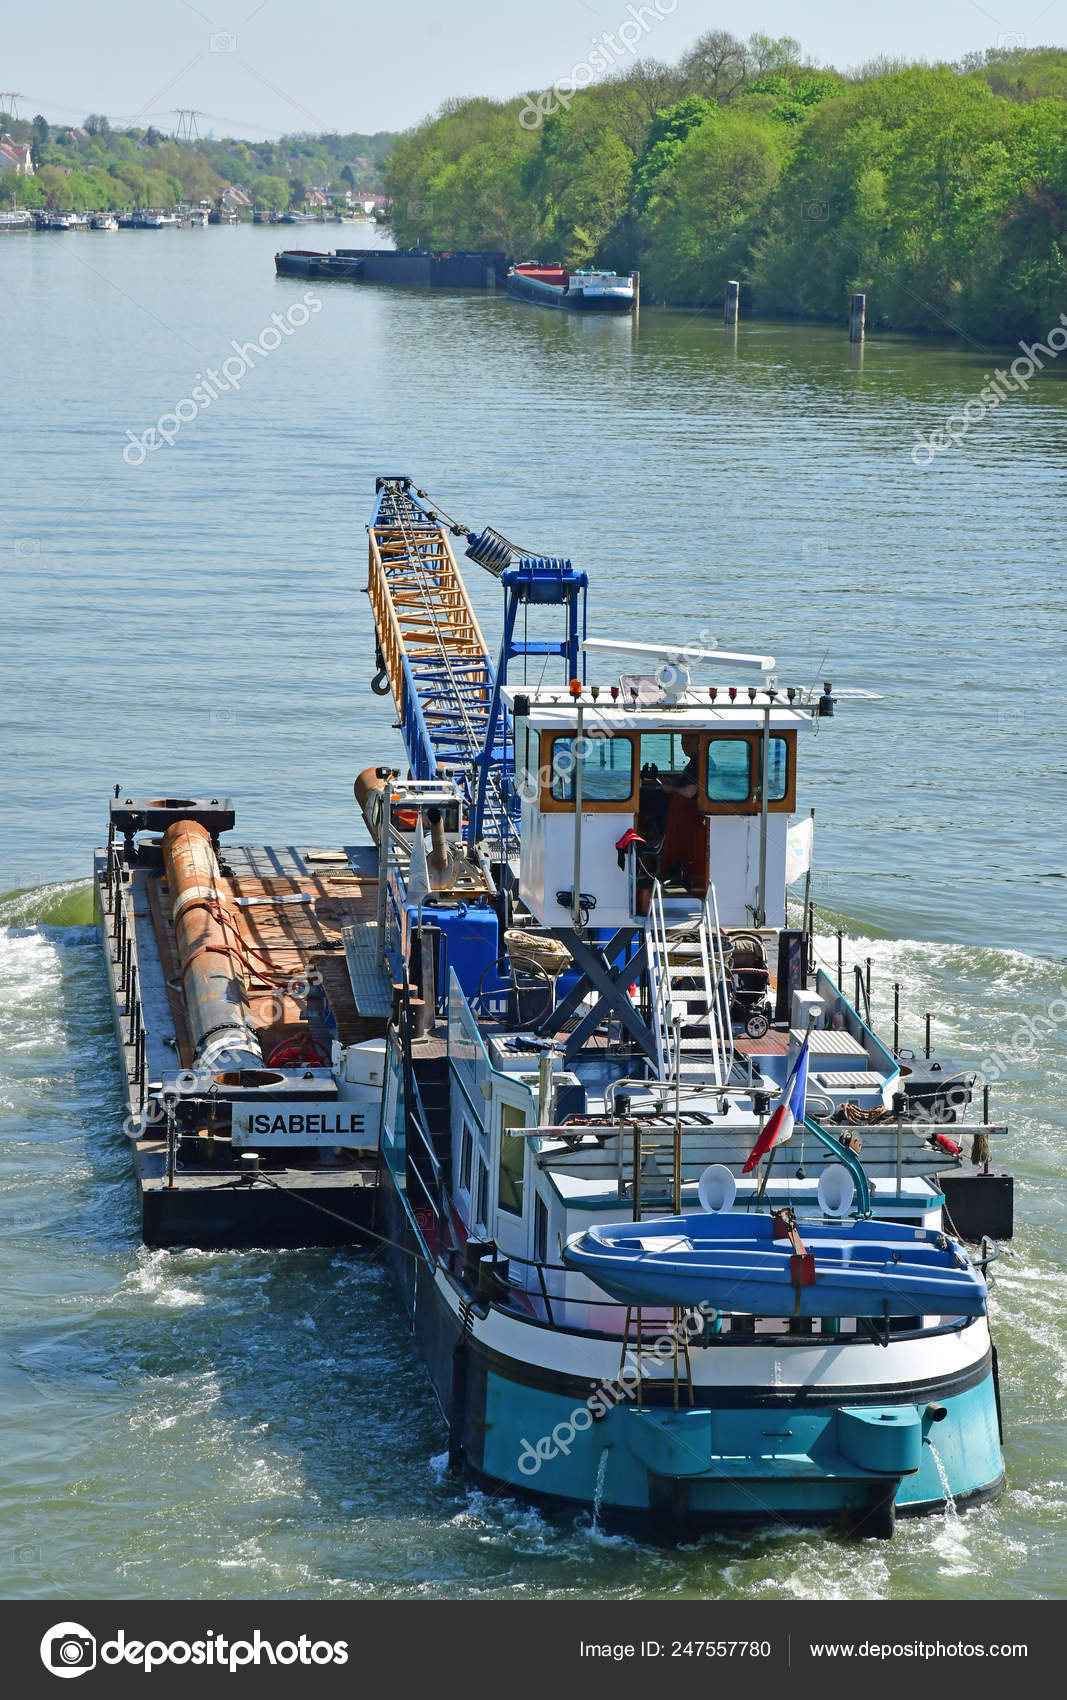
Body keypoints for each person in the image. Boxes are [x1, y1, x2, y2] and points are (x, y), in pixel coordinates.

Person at [657, 733, 706, 891]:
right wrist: (672, 783)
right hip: (681, 810)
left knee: (647, 798)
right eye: (682, 742)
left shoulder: (700, 763)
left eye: (687, 742)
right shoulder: (694, 762)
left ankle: (658, 854)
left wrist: (670, 788)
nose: (683, 746)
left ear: (698, 744)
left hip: (688, 812)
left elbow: (690, 792)